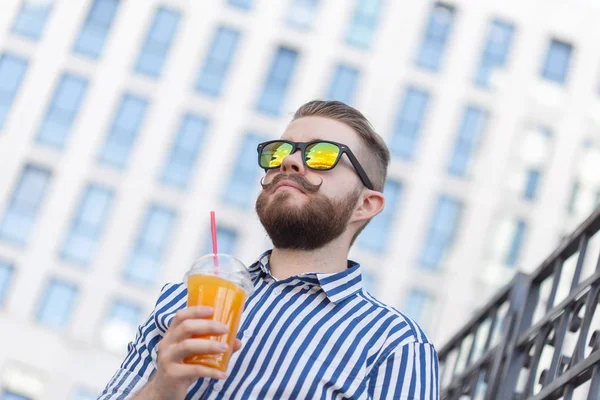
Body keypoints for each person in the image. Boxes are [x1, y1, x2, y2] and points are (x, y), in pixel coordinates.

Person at [99, 100, 439, 399]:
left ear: (366, 204)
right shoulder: (183, 301)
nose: (289, 162)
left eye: (321, 155)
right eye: (278, 152)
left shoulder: (395, 345)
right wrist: (162, 389)